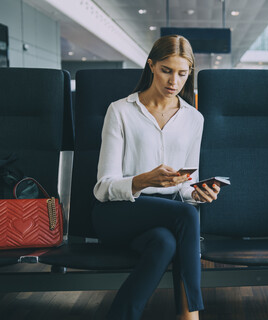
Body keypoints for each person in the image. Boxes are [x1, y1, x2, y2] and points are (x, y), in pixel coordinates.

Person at [92, 35, 219, 320]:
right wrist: (143, 180)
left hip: (164, 219)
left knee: (165, 243)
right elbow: (102, 188)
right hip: (117, 213)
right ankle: (190, 315)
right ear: (151, 66)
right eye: (166, 70)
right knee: (187, 216)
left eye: (182, 74)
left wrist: (196, 192)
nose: (174, 81)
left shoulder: (193, 119)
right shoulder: (121, 111)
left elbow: (185, 184)